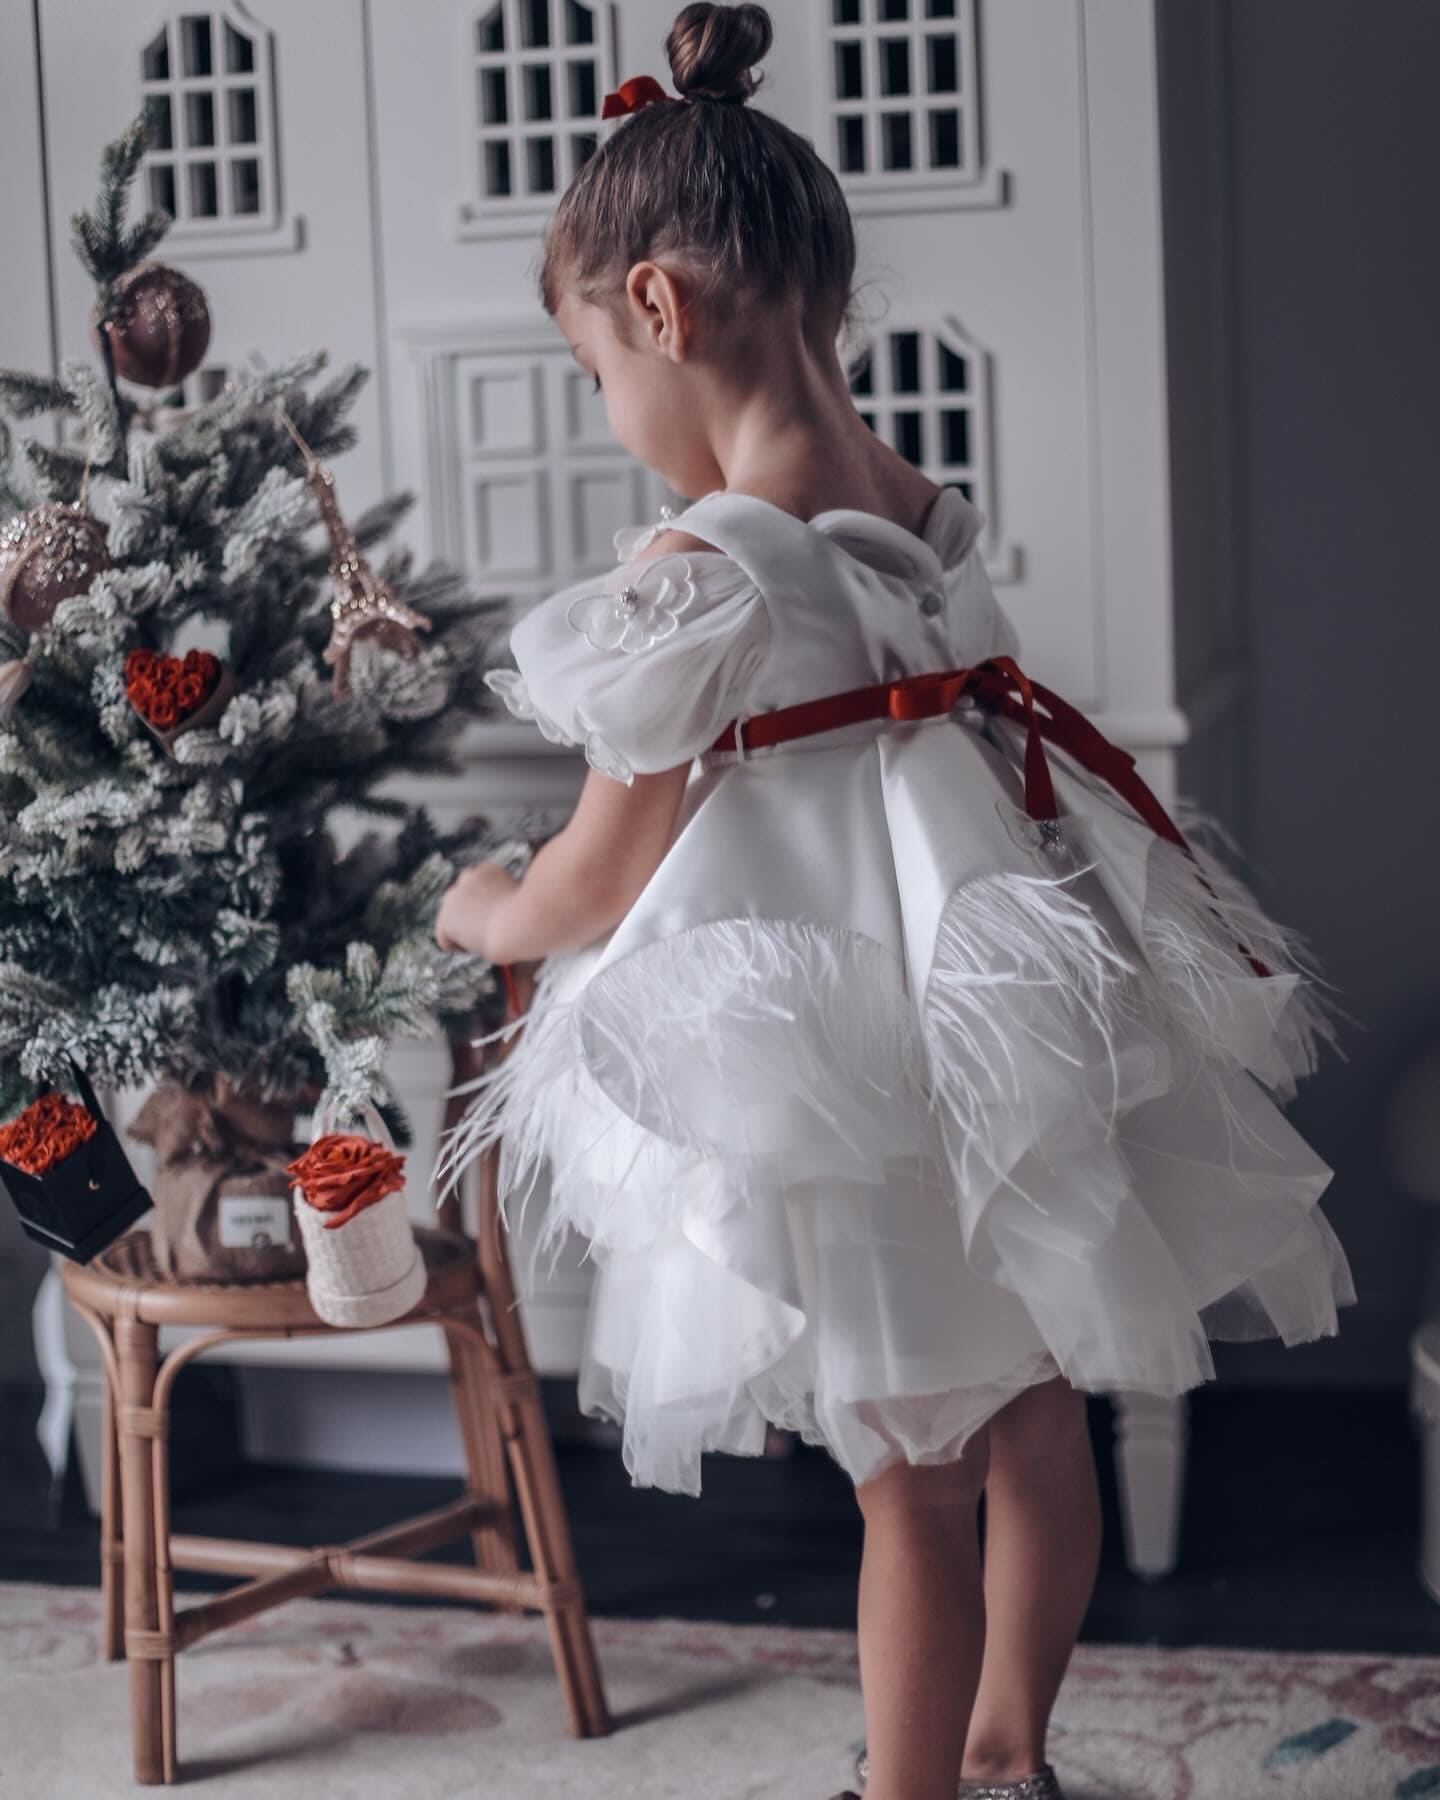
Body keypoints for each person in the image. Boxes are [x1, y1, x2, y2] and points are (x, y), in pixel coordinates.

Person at [432, 7, 1356, 1797]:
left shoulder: (705, 568)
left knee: (905, 1476)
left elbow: (601, 869)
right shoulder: (926, 516)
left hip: (842, 1064)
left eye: (593, 379)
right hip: (1005, 1025)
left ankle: (906, 1788)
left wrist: (485, 914)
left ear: (658, 312)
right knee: (1032, 1409)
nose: (616, 421)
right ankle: (1010, 1750)